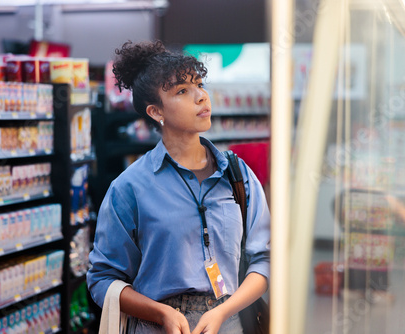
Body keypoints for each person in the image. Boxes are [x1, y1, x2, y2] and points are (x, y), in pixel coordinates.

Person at [87, 40, 270, 334]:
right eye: (182, 91)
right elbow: (102, 279)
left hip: (228, 322)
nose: (200, 97)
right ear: (156, 112)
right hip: (157, 326)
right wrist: (161, 314)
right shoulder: (130, 187)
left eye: (199, 84)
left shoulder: (238, 175)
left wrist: (224, 310)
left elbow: (265, 260)